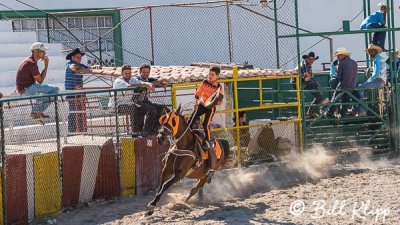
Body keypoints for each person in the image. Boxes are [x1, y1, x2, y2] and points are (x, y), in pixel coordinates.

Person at [188, 66, 224, 174]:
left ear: (217, 76)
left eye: (212, 75)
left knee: (205, 124)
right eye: (209, 74)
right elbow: (198, 94)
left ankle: (208, 142)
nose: (210, 76)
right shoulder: (204, 82)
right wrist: (200, 100)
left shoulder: (219, 87)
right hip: (202, 104)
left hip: (210, 107)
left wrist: (215, 102)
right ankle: (188, 137)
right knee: (191, 120)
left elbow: (220, 101)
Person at [16, 42, 60, 122]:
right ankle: (36, 111)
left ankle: (37, 111)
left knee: (48, 95)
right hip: (27, 89)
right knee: (56, 89)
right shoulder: (31, 63)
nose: (45, 53)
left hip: (26, 89)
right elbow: (40, 81)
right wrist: (46, 65)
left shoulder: (31, 62)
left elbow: (39, 80)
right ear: (35, 52)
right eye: (43, 51)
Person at [109, 65, 153, 136]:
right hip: (117, 105)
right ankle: (135, 132)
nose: (128, 75)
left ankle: (143, 131)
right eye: (126, 73)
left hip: (129, 103)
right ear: (122, 74)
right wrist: (144, 84)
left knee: (143, 108)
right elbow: (129, 86)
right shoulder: (118, 81)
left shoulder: (132, 79)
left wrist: (147, 84)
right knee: (133, 107)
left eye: (129, 73)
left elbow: (140, 83)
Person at [65, 48, 100, 133]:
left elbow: (89, 68)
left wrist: (94, 67)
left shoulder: (80, 65)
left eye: (80, 57)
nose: (79, 58)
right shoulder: (70, 64)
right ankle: (72, 131)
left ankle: (81, 130)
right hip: (72, 92)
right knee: (73, 112)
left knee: (80, 112)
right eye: (78, 57)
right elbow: (73, 68)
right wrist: (88, 70)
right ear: (72, 57)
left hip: (78, 92)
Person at [131, 64, 168, 136]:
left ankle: (155, 129)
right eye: (144, 72)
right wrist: (156, 82)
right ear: (140, 72)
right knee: (152, 110)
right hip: (137, 102)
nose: (146, 74)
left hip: (145, 101)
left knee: (162, 108)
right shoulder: (137, 79)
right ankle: (146, 131)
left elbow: (157, 80)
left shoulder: (148, 79)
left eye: (147, 72)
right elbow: (150, 83)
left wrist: (162, 83)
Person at [291, 52, 329, 118]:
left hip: (302, 82)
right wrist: (311, 80)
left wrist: (316, 83)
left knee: (317, 89)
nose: (312, 61)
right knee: (315, 86)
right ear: (306, 59)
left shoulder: (308, 66)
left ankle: (311, 112)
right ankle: (320, 102)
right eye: (310, 59)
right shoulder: (303, 66)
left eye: (313, 59)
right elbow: (305, 78)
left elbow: (309, 77)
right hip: (297, 83)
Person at [354, 44, 387, 117]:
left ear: (375, 51)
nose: (371, 53)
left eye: (372, 52)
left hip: (378, 81)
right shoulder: (381, 58)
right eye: (370, 52)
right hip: (381, 81)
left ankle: (361, 110)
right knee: (361, 88)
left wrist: (368, 80)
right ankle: (357, 109)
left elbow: (376, 73)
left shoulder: (376, 59)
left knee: (359, 88)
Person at [326, 48, 358, 118]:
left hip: (343, 86)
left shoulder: (342, 63)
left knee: (334, 99)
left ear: (344, 55)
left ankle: (329, 113)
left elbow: (339, 77)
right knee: (345, 100)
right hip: (352, 86)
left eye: (339, 55)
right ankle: (342, 114)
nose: (337, 57)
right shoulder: (354, 62)